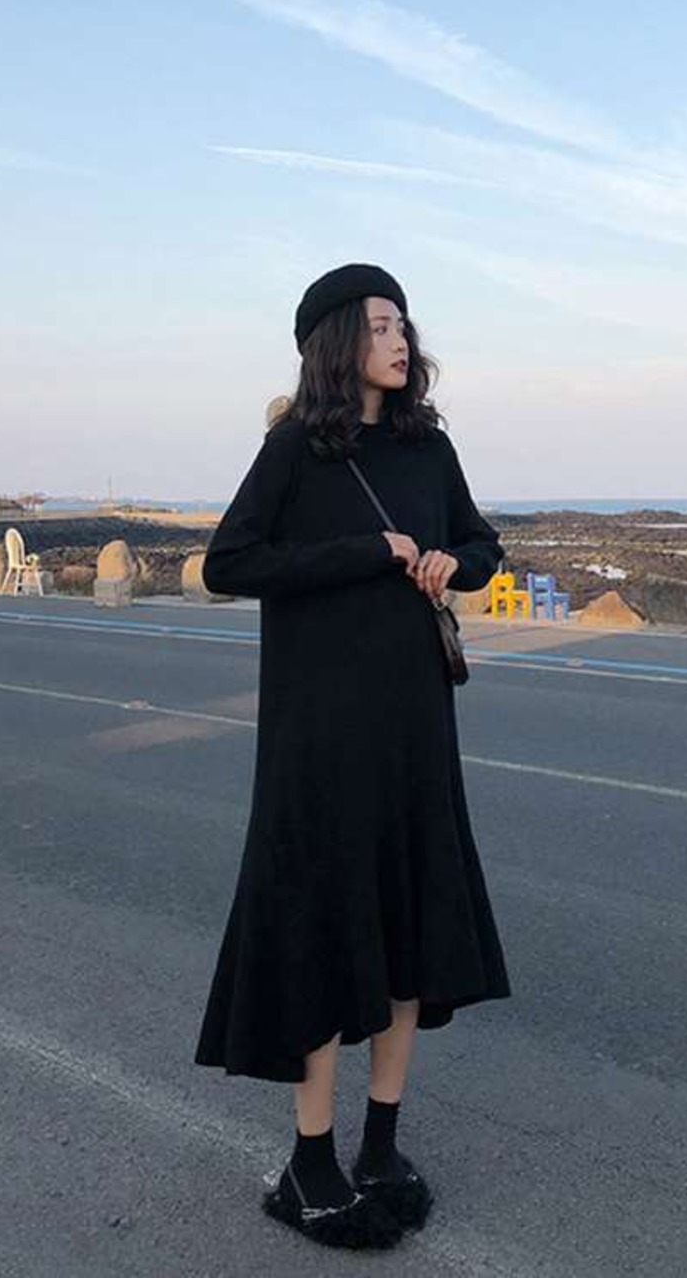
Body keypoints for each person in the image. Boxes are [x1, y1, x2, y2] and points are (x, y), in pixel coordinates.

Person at [193, 263, 512, 1251]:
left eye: (404, 324)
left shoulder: (427, 446)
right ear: (338, 340)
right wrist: (367, 550)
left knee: (408, 930)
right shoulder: (297, 446)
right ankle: (309, 1159)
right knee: (325, 936)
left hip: (415, 729)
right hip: (319, 738)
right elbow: (229, 562)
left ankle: (379, 1145)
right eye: (380, 324)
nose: (400, 339)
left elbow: (482, 543)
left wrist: (454, 560)